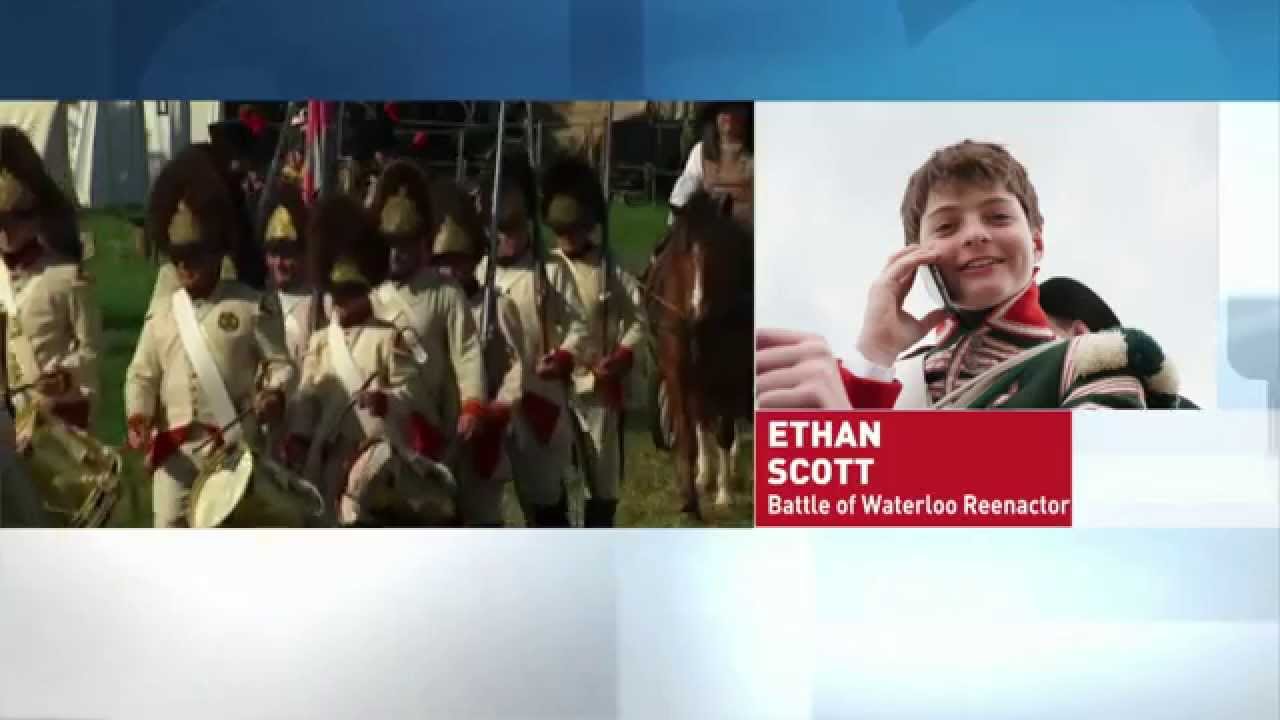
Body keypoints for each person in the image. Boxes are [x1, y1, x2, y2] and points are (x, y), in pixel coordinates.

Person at [756, 140, 1184, 411]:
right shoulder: (883, 380)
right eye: (946, 226)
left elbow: (1078, 500)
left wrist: (853, 451)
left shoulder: (1092, 362)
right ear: (916, 258)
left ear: (1036, 244)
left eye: (997, 216)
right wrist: (875, 356)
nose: (976, 234)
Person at [124, 147, 294, 527]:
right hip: (175, 456)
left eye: (194, 255)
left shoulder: (252, 306)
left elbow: (281, 366)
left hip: (232, 450)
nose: (185, 266)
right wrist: (139, 413)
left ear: (217, 252)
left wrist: (274, 393)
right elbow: (141, 374)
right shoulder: (164, 312)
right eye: (178, 257)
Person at [283, 193, 417, 522]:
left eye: (350, 292)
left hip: (373, 457)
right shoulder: (320, 342)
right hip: (326, 456)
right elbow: (307, 395)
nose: (342, 300)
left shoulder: (388, 336)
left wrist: (385, 401)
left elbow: (409, 391)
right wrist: (298, 436)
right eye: (336, 292)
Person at [475, 154, 589, 527]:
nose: (506, 240)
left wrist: (564, 357)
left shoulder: (551, 272)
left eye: (513, 230)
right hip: (487, 406)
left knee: (545, 509)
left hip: (537, 404)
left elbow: (580, 325)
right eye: (500, 231)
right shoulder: (478, 274)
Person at [542, 157, 648, 527]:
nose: (569, 237)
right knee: (552, 477)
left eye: (576, 229)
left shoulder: (609, 267)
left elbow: (639, 319)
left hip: (600, 387)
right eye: (563, 230)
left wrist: (620, 357)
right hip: (556, 388)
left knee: (602, 480)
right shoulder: (546, 269)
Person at [367, 160, 487, 469]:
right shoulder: (368, 293)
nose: (396, 253)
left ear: (422, 241)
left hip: (431, 421)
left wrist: (472, 404)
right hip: (376, 422)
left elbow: (468, 353)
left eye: (405, 243)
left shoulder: (445, 291)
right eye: (390, 244)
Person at [429, 178, 523, 527]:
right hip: (438, 433)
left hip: (483, 432)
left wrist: (500, 407)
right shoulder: (430, 308)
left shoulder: (497, 306)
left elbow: (518, 369)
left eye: (460, 261)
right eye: (443, 261)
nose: (452, 270)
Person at [0, 125, 102, 431]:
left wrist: (64, 376)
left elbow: (92, 351)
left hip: (52, 423)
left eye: (14, 220)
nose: (5, 231)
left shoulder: (66, 277)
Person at [668, 102, 754, 229]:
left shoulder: (759, 154)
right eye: (723, 109)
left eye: (735, 108)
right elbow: (685, 191)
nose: (728, 115)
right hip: (710, 232)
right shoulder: (701, 151)